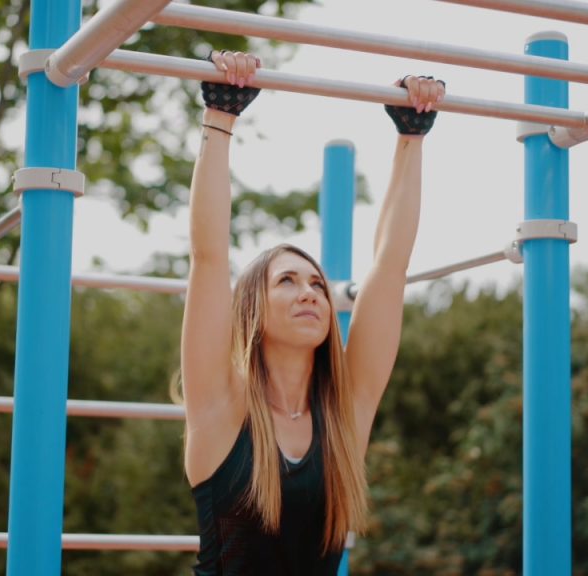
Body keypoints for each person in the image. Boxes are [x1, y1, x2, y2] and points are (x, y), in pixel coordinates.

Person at [181, 49, 446, 575]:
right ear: (252, 310)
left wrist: (411, 133)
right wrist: (221, 114)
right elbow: (209, 258)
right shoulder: (220, 406)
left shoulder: (345, 412)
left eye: (317, 285)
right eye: (287, 281)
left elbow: (390, 266)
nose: (310, 293)